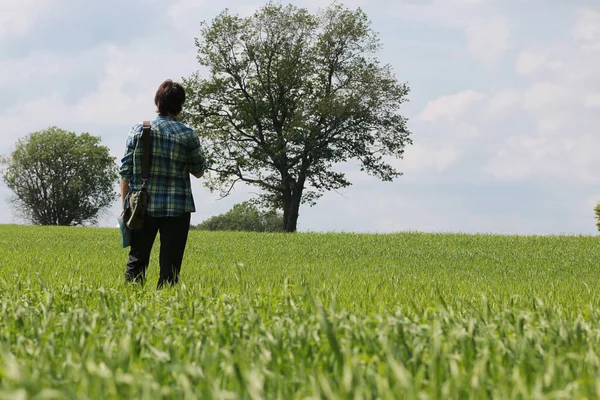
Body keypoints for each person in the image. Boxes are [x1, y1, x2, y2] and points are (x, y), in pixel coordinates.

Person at [119, 79, 206, 288]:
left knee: (137, 259)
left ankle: (130, 308)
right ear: (180, 105)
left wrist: (125, 206)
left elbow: (125, 171)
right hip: (178, 207)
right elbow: (199, 172)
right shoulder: (188, 134)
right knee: (171, 267)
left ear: (157, 102)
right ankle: (166, 313)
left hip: (142, 206)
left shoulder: (140, 130)